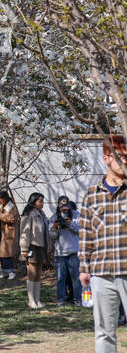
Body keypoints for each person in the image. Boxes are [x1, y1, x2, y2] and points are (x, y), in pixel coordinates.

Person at [79, 135, 127, 353]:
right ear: (107, 158)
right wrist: (84, 268)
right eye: (122, 157)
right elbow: (86, 235)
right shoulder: (91, 196)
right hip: (101, 273)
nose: (126, 162)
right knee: (104, 332)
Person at [19, 192, 53, 309]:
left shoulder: (42, 214)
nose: (42, 203)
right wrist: (24, 248)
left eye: (42, 201)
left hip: (41, 247)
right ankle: (31, 300)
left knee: (38, 273)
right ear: (33, 202)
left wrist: (48, 246)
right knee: (31, 273)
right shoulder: (29, 214)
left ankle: (37, 300)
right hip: (31, 247)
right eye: (40, 201)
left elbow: (45, 232)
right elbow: (25, 232)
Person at [49, 195, 81, 306]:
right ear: (58, 206)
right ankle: (61, 300)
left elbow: (82, 231)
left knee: (76, 278)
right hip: (60, 253)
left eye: (67, 207)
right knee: (60, 279)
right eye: (63, 207)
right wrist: (54, 227)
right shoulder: (54, 217)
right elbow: (52, 236)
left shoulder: (77, 215)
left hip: (74, 251)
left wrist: (70, 224)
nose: (65, 209)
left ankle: (78, 299)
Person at [0, 190, 21, 280]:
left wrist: (0, 216)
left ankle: (11, 272)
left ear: (6, 198)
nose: (0, 201)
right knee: (1, 254)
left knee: (8, 254)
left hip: (9, 233)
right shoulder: (0, 208)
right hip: (1, 232)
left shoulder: (12, 208)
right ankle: (4, 271)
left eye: (1, 199)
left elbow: (12, 219)